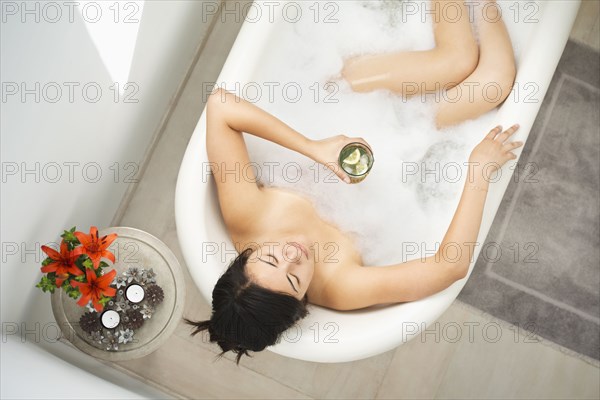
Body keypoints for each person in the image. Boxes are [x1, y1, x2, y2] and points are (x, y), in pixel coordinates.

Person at [184, 0, 522, 365]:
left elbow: (221, 107)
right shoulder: (340, 286)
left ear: (245, 256)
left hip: (346, 99)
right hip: (401, 141)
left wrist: (313, 147)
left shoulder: (247, 216)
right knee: (496, 80)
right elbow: (449, 267)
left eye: (270, 257)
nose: (293, 256)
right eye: (295, 279)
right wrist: (478, 169)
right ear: (302, 305)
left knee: (456, 60)